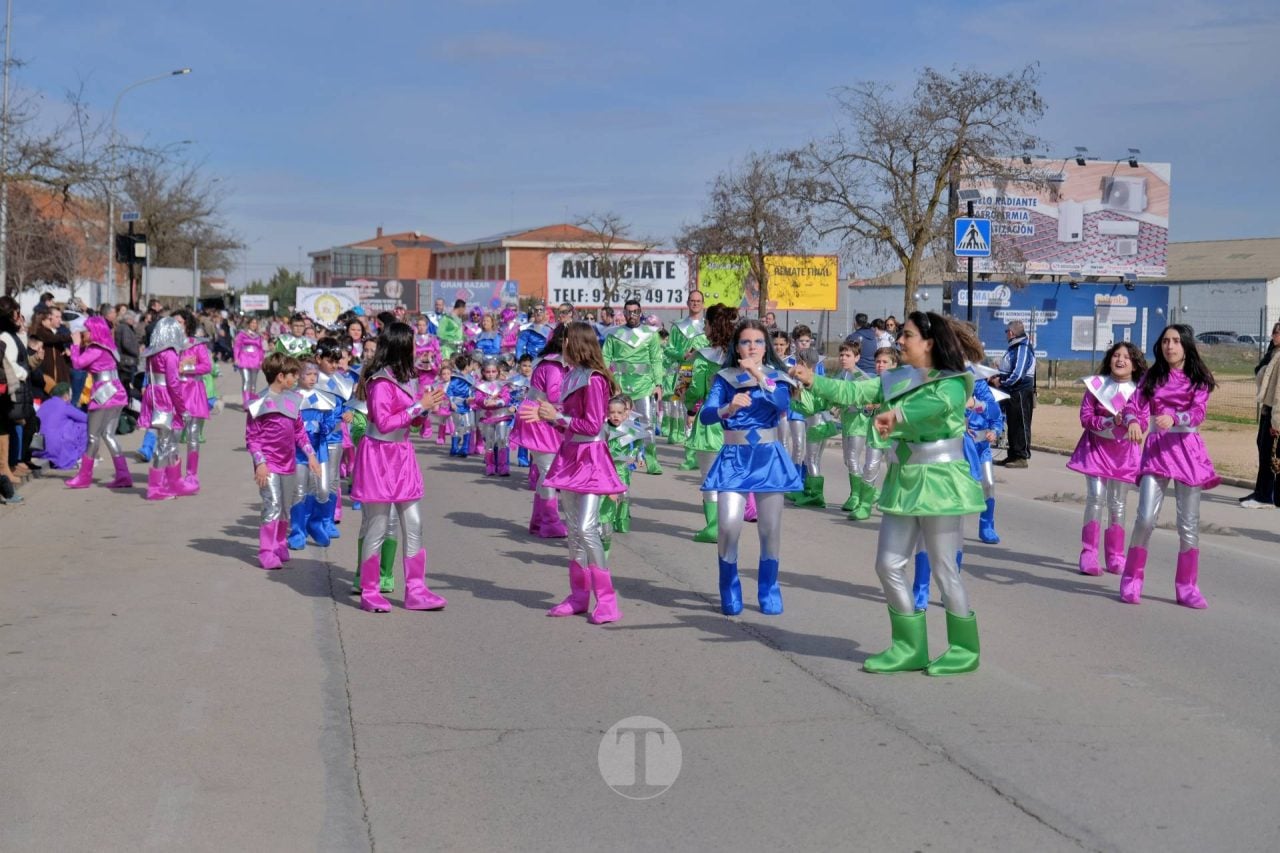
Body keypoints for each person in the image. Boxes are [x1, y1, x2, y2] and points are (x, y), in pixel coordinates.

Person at [793, 311, 986, 675]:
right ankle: (909, 646)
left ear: (929, 343)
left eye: (907, 336)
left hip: (941, 482)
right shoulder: (897, 377)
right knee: (888, 564)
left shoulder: (955, 381)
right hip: (903, 479)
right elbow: (852, 391)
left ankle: (964, 649)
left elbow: (936, 405)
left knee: (945, 570)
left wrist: (896, 416)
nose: (898, 341)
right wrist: (812, 382)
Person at [521, 321, 626, 624]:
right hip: (569, 454)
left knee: (587, 527)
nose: (559, 345)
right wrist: (547, 416)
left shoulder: (594, 380)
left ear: (575, 343)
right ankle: (578, 595)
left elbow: (593, 425)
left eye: (563, 340)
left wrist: (556, 415)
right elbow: (567, 419)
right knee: (573, 531)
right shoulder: (572, 376)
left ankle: (607, 599)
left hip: (591, 456)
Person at [699, 319, 803, 615]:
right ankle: (729, 588)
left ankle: (768, 588)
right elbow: (706, 415)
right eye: (746, 342)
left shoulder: (777, 377)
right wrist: (728, 408)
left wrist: (758, 373)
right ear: (737, 346)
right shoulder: (725, 378)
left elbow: (781, 403)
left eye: (758, 342)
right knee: (729, 528)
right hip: (734, 458)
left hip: (768, 458)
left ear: (766, 346)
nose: (752, 347)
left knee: (770, 530)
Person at [351, 322, 448, 613]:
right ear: (400, 346)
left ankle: (416, 590)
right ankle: (370, 591)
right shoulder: (380, 381)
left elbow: (409, 421)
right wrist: (419, 407)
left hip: (402, 454)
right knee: (378, 525)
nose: (417, 347)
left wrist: (425, 409)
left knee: (414, 523)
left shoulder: (407, 377)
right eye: (412, 343)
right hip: (379, 455)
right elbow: (384, 422)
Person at [1120, 324, 1219, 608]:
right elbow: (1131, 405)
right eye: (1165, 341)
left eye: (1175, 341)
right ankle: (1132, 580)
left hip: (1188, 452)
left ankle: (1187, 587)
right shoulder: (1152, 376)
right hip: (1157, 451)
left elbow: (1199, 412)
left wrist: (1176, 418)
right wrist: (1134, 421)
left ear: (1186, 345)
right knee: (1145, 518)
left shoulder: (1199, 378)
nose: (1170, 346)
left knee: (1188, 524)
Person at [1066, 342, 1146, 575]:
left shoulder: (1139, 391)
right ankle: (1089, 554)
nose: (1120, 360)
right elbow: (1085, 417)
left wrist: (1131, 423)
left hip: (1124, 454)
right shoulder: (1096, 386)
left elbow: (1141, 420)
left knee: (1118, 504)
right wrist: (1110, 422)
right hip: (1096, 450)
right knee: (1095, 498)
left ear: (1134, 364)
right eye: (1116, 355)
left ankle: (1115, 556)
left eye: (1127, 357)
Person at [245, 353, 321, 569]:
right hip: (268, 464)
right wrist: (260, 463)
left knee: (286, 507)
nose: (297, 378)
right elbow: (252, 437)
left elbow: (299, 432)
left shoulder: (293, 400)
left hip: (288, 463)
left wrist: (311, 455)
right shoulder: (258, 403)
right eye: (293, 375)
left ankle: (279, 543)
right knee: (273, 505)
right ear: (280, 376)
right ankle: (266, 551)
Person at [684, 305, 737, 544]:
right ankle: (728, 525)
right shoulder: (740, 356)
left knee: (708, 476)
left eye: (706, 323)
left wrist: (688, 401)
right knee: (730, 474)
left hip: (711, 419)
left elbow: (694, 389)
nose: (703, 328)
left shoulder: (703, 357)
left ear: (712, 327)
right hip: (737, 420)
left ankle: (714, 526)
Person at [511, 324, 570, 539]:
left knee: (546, 471)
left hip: (543, 417)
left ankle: (539, 521)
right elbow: (555, 396)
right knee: (549, 473)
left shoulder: (555, 362)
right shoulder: (554, 365)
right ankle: (550, 521)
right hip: (539, 418)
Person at [65, 316, 132, 488]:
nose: (83, 333)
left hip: (104, 393)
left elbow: (78, 364)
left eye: (86, 330)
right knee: (108, 435)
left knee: (93, 436)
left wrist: (75, 345)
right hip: (117, 391)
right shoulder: (109, 347)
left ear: (93, 331)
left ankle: (84, 477)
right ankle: (123, 475)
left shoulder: (95, 348)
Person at [602, 300, 664, 475]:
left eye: (635, 311)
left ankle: (651, 460)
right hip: (621, 384)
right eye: (629, 312)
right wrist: (608, 381)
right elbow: (605, 358)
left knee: (647, 423)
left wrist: (658, 383)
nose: (632, 315)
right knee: (619, 422)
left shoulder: (650, 334)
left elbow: (656, 360)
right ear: (624, 313)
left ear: (641, 312)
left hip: (644, 384)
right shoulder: (614, 334)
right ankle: (620, 458)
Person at [139, 317, 194, 499]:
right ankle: (155, 487)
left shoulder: (152, 352)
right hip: (164, 398)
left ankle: (174, 482)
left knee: (169, 443)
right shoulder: (169, 354)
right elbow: (173, 383)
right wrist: (182, 409)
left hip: (154, 395)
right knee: (164, 444)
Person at [1239, 321, 1280, 508]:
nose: (1275, 335)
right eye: (1274, 332)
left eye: (1278, 332)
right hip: (1267, 408)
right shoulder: (1273, 354)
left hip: (1275, 412)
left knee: (1271, 454)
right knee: (1262, 448)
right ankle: (1260, 491)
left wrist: (1276, 422)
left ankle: (1267, 496)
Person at [176, 310, 213, 493]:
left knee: (192, 436)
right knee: (172, 436)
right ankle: (173, 475)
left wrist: (186, 368)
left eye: (180, 322)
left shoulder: (197, 345)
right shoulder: (167, 346)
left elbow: (207, 366)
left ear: (187, 324)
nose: (176, 325)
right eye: (173, 322)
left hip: (193, 391)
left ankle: (191, 475)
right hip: (174, 393)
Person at [992, 320, 1035, 468]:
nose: (1005, 334)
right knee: (1012, 423)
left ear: (1011, 333)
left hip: (1021, 392)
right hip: (1011, 391)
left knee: (1021, 424)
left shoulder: (1022, 348)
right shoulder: (1013, 348)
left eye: (1006, 332)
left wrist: (1001, 382)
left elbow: (1017, 375)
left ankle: (1022, 457)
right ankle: (1012, 455)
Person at [471, 357, 513, 476]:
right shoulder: (480, 386)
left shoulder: (503, 385)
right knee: (489, 442)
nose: (490, 374)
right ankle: (490, 466)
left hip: (501, 415)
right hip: (487, 417)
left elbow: (507, 398)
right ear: (483, 372)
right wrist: (485, 401)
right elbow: (478, 399)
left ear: (498, 372)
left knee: (502, 440)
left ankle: (503, 466)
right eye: (488, 372)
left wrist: (498, 402)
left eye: (493, 371)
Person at [34, 383, 87, 470]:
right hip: (56, 450)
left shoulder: (44, 404)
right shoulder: (65, 405)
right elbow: (86, 418)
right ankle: (77, 456)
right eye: (70, 396)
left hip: (37, 448)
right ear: (66, 396)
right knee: (85, 425)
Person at [234, 317, 268, 407]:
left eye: (255, 323)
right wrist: (236, 358)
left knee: (253, 383)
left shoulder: (259, 336)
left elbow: (261, 349)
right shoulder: (242, 334)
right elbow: (237, 346)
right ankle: (246, 403)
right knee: (246, 381)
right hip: (244, 359)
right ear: (248, 324)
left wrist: (262, 360)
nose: (254, 325)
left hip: (255, 360)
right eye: (252, 323)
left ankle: (251, 402)